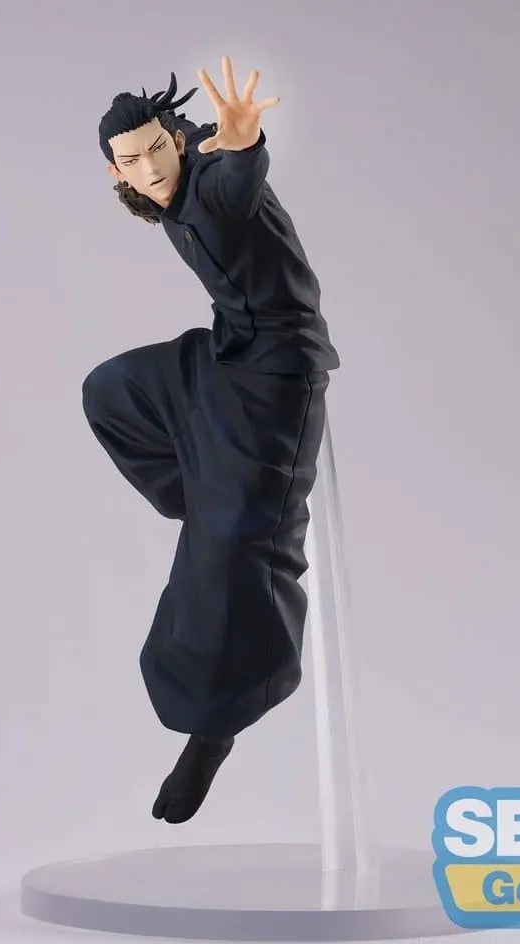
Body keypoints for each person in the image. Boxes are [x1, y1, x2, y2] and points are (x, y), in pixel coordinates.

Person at [83, 57, 340, 823]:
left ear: (177, 142)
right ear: (116, 172)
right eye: (131, 161)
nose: (150, 169)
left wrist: (244, 139)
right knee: (113, 392)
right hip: (226, 354)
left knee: (240, 556)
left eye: (156, 150)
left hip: (280, 378)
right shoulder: (160, 175)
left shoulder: (212, 179)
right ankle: (210, 500)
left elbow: (236, 176)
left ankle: (214, 732)